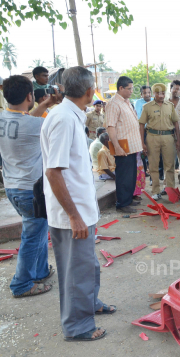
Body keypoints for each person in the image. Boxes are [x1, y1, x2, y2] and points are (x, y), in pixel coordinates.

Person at [41, 66, 115, 342]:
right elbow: (53, 171)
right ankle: (78, 326)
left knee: (88, 267)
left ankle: (90, 303)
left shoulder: (71, 115)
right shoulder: (63, 119)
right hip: (72, 214)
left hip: (82, 209)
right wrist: (73, 216)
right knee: (77, 272)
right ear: (88, 91)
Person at [0, 75, 56, 298]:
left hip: (13, 188)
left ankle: (40, 271)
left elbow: (24, 119)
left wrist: (43, 104)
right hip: (30, 189)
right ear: (29, 95)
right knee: (33, 236)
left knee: (39, 230)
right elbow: (47, 123)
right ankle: (22, 284)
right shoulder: (37, 123)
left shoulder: (4, 117)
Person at [105, 76, 144, 213]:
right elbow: (111, 127)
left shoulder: (126, 102)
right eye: (129, 89)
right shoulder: (114, 103)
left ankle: (128, 199)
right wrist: (117, 146)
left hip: (132, 146)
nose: (131, 91)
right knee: (124, 175)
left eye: (132, 88)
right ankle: (122, 203)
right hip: (122, 146)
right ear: (120, 88)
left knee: (131, 175)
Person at [139, 83, 180, 200]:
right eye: (158, 93)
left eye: (162, 93)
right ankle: (155, 191)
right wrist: (142, 143)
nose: (161, 95)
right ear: (153, 94)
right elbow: (141, 124)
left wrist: (178, 140)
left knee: (170, 165)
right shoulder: (147, 107)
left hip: (168, 137)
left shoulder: (170, 106)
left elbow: (176, 123)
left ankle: (170, 190)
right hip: (152, 137)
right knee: (153, 165)